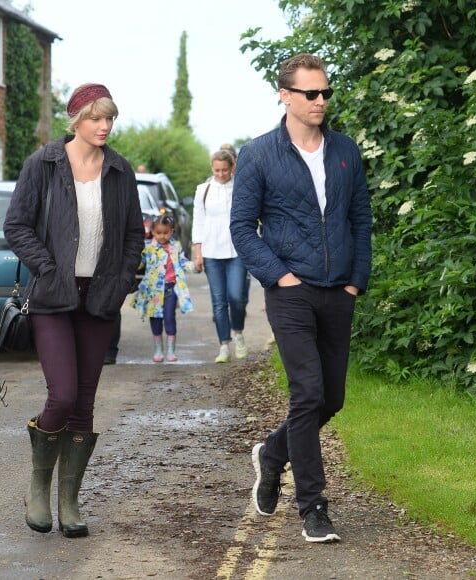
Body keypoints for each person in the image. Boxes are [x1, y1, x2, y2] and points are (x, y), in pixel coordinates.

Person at [230, 54, 372, 543]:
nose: (321, 101)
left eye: (326, 92)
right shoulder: (259, 154)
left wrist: (356, 279)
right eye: (311, 93)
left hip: (339, 290)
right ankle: (313, 506)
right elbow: (241, 229)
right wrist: (279, 277)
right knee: (307, 394)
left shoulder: (346, 151)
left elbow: (360, 221)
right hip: (291, 291)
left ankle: (272, 454)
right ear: (285, 95)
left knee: (331, 398)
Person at [3, 83, 144, 538]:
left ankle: (70, 500)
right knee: (61, 395)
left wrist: (122, 282)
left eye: (110, 119)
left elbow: (132, 237)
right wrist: (45, 267)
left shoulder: (120, 170)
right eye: (96, 119)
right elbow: (17, 225)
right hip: (52, 296)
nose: (104, 127)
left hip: (99, 297)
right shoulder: (42, 164)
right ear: (76, 120)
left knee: (84, 403)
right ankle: (39, 485)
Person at [192, 149, 249, 363]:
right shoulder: (203, 190)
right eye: (217, 170)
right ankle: (224, 345)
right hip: (211, 251)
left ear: (232, 167)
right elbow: (198, 221)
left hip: (237, 251)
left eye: (225, 170)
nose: (221, 174)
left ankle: (239, 333)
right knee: (218, 301)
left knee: (236, 297)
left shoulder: (241, 188)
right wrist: (198, 252)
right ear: (211, 168)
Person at [130, 214, 194, 362]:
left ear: (172, 231)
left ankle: (171, 350)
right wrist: (130, 264)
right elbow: (140, 263)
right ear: (152, 231)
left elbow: (183, 262)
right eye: (159, 233)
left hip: (171, 289)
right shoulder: (148, 248)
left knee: (170, 317)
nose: (162, 236)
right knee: (155, 319)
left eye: (166, 232)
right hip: (153, 292)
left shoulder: (175, 247)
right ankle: (158, 349)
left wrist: (194, 266)